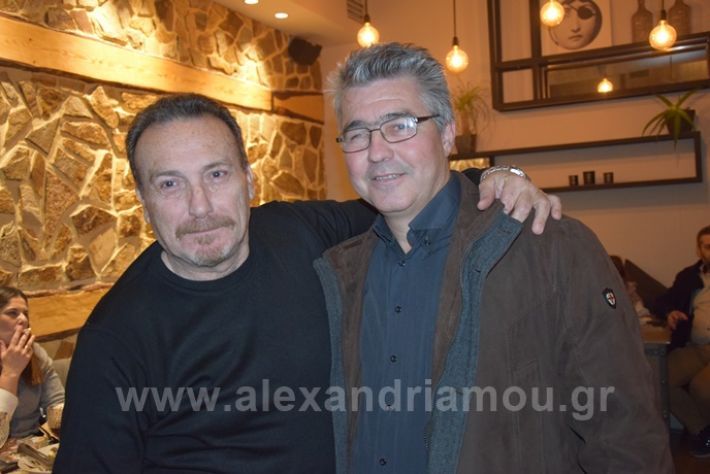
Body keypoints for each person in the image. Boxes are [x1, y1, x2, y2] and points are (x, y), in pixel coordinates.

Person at [54, 93, 560, 473]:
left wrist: (496, 176)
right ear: (143, 201)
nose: (200, 206)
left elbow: (407, 195)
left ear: (249, 180)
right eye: (170, 184)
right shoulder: (115, 338)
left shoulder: (297, 232)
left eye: (216, 175)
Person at [315, 42, 672, 473]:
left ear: (447, 132)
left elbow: (624, 434)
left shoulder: (549, 247)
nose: (376, 151)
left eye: (400, 126)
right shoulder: (340, 272)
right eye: (357, 134)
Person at [653, 224, 710, 458]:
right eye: (707, 247)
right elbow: (661, 301)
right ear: (699, 250)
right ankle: (703, 431)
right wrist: (670, 312)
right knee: (658, 379)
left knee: (701, 389)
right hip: (696, 347)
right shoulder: (688, 277)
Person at [0, 286, 64, 447]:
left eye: (25, 313)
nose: (23, 319)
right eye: (12, 313)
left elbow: (57, 404)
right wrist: (10, 373)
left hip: (32, 446)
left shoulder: (34, 352)